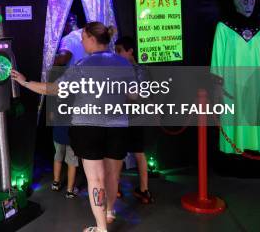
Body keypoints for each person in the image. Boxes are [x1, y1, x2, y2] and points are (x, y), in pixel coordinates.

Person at [11, 22, 133, 232]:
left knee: (96, 179)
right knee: (113, 175)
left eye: (83, 38)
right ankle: (110, 212)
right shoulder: (123, 64)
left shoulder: (82, 65)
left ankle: (102, 228)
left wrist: (25, 83)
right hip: (117, 126)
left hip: (88, 127)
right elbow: (133, 96)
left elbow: (54, 89)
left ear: (91, 39)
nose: (81, 42)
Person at [115, 36, 155, 204]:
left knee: (118, 154)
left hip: (128, 116)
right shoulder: (142, 69)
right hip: (135, 115)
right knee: (135, 153)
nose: (117, 54)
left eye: (119, 51)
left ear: (130, 51)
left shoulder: (122, 69)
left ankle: (117, 189)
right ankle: (143, 190)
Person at [51, 13, 85, 198]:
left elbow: (63, 58)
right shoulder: (84, 36)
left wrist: (49, 58)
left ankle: (56, 182)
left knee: (59, 153)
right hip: (78, 115)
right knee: (73, 157)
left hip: (62, 120)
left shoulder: (68, 40)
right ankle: (71, 190)